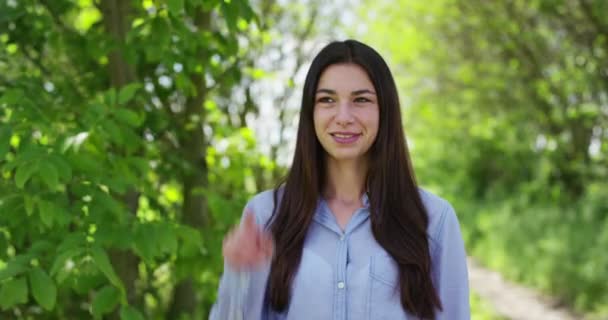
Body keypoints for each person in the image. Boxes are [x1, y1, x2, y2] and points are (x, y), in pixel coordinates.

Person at [209, 40, 470, 320]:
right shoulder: (265, 214)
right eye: (327, 100)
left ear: (385, 110)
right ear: (311, 112)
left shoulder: (434, 219)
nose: (343, 117)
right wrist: (239, 277)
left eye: (361, 100)